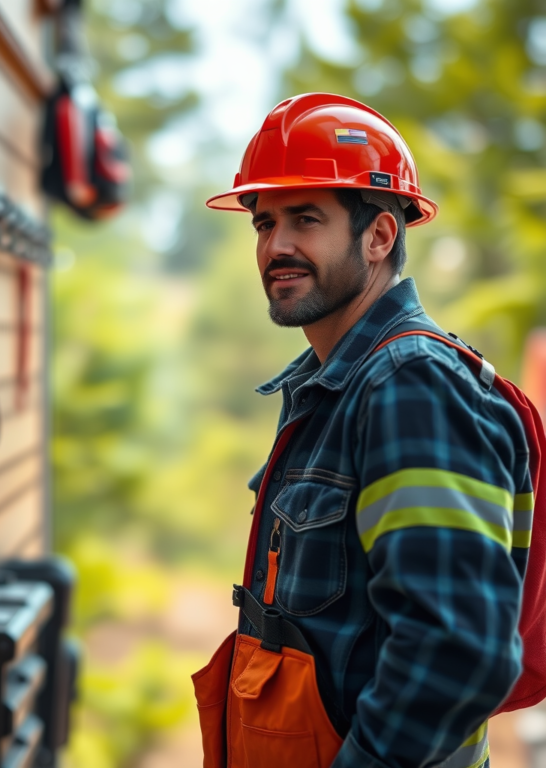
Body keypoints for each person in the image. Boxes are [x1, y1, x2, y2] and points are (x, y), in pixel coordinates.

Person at [192, 93, 533, 768]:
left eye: (306, 220)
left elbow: (457, 650)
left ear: (379, 236)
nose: (276, 246)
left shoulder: (412, 385)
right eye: (264, 224)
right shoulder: (335, 385)